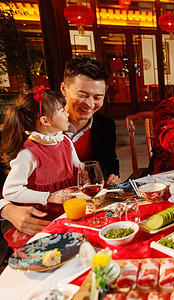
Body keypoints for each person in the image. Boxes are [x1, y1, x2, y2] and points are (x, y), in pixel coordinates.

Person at [0, 58, 121, 237]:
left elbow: (110, 162)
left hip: (81, 215)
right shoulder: (24, 132)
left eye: (97, 97)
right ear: (64, 89)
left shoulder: (106, 126)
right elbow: (8, 187)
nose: (89, 104)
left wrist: (112, 177)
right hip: (35, 220)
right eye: (82, 95)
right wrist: (6, 210)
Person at [0, 87, 81, 248]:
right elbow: (10, 190)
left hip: (69, 212)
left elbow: (80, 169)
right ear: (45, 121)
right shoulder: (28, 154)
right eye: (61, 111)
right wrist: (48, 196)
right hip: (43, 222)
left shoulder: (65, 142)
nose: (67, 114)